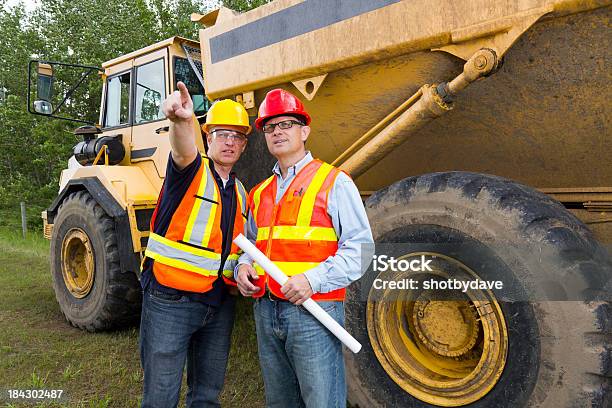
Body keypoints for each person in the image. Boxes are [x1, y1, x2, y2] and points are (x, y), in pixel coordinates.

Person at [235, 88, 374, 408]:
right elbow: (253, 244)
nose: (277, 132)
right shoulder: (260, 193)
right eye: (270, 127)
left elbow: (361, 248)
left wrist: (313, 279)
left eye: (286, 124)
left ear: (304, 130)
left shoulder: (334, 182)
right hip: (266, 312)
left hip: (313, 313)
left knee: (322, 401)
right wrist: (244, 267)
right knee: (281, 401)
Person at [139, 81, 251, 408]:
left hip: (218, 307)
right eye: (221, 134)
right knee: (160, 398)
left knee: (206, 397)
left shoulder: (242, 192)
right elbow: (182, 149)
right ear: (207, 136)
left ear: (244, 145)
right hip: (171, 301)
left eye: (237, 136)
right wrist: (179, 121)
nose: (229, 142)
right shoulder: (191, 170)